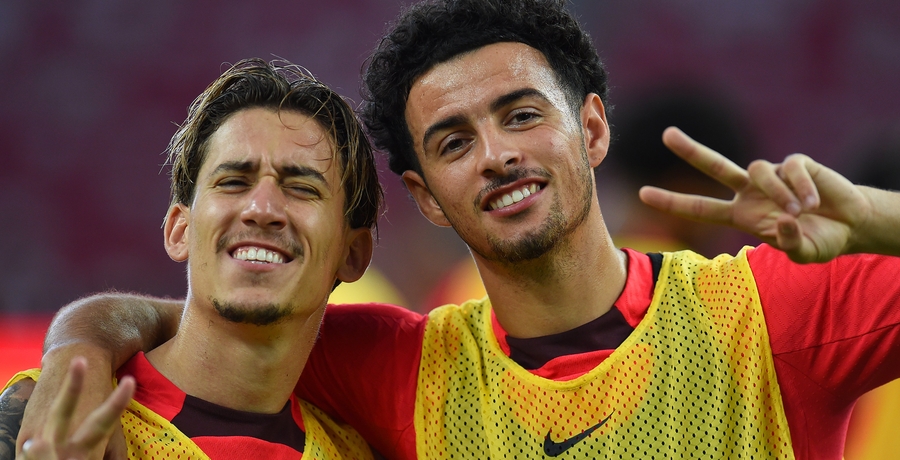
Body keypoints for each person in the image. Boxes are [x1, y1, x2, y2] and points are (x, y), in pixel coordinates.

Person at [15, 0, 900, 459]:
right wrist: (76, 357)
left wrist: (878, 217)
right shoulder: (404, 367)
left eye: (522, 115)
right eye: (453, 141)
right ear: (427, 197)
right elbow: (220, 315)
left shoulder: (770, 312)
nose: (496, 155)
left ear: (592, 129)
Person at [1, 58, 382, 459]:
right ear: (179, 231)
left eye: (302, 188)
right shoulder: (48, 418)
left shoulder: (359, 453)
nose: (262, 208)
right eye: (233, 182)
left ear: (352, 254)